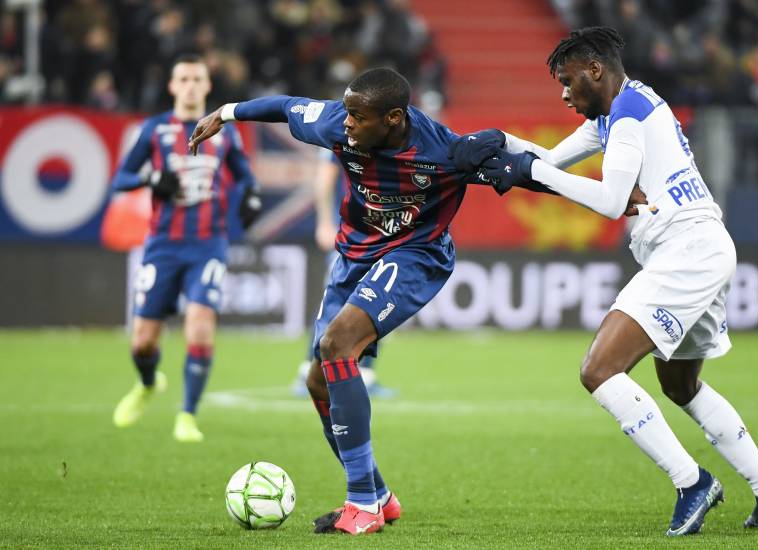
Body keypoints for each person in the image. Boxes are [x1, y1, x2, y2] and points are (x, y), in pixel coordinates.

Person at [450, 27, 758, 536]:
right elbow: (547, 161)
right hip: (704, 246)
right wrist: (502, 143)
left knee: (599, 370)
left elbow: (612, 202)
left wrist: (530, 172)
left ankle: (692, 482)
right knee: (679, 384)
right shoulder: (619, 109)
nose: (564, 94)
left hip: (686, 251)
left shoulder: (629, 116)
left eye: (568, 81)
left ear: (595, 70)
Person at [189, 67, 545, 535]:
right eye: (347, 112)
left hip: (416, 254)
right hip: (353, 255)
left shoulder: (444, 152)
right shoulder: (337, 123)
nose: (348, 123)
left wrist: (612, 197)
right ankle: (378, 494)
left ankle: (362, 504)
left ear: (394, 118)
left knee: (337, 345)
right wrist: (226, 113)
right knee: (320, 380)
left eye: (358, 116)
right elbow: (283, 105)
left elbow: (524, 171)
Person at [110, 54, 261, 443]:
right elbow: (121, 179)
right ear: (172, 86)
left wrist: (251, 198)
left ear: (208, 86)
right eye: (184, 79)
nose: (192, 85)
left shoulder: (224, 132)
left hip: (208, 244)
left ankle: (187, 416)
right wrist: (151, 176)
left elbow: (245, 177)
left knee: (200, 325)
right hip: (162, 245)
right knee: (143, 340)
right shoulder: (154, 129)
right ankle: (146, 384)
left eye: (198, 78)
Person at [291, 149, 397, 399]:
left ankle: (366, 373)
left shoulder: (387, 131)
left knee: (375, 298)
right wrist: (324, 223)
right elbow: (325, 178)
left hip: (381, 235)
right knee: (339, 301)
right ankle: (309, 367)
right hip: (351, 233)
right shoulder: (343, 130)